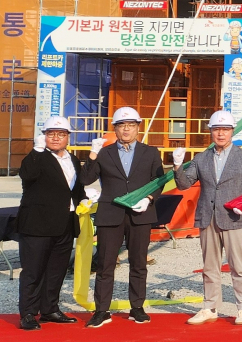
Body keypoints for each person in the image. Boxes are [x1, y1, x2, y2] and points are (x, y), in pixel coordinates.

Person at [173, 109, 242, 325]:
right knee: (210, 266)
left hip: (234, 217)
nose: (221, 133)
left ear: (232, 131)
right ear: (211, 132)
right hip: (208, 217)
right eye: (216, 129)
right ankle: (210, 306)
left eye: (225, 129)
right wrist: (177, 166)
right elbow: (184, 184)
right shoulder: (201, 158)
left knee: (238, 266)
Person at [81, 106, 165, 329]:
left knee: (138, 263)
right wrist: (92, 154)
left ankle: (136, 307)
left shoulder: (150, 152)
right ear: (115, 129)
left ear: (138, 128)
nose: (126, 129)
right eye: (121, 125)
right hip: (111, 213)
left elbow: (160, 181)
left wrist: (148, 198)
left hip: (140, 213)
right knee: (105, 264)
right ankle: (101, 310)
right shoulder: (104, 153)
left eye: (130, 125)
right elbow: (86, 179)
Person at [16, 116, 88, 330]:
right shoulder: (36, 157)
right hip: (37, 225)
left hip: (64, 223)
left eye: (61, 134)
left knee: (57, 270)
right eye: (51, 133)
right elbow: (27, 175)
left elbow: (74, 188)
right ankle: (28, 313)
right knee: (33, 271)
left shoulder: (73, 160)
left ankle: (50, 310)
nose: (55, 138)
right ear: (44, 135)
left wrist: (84, 198)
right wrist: (37, 151)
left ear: (68, 137)